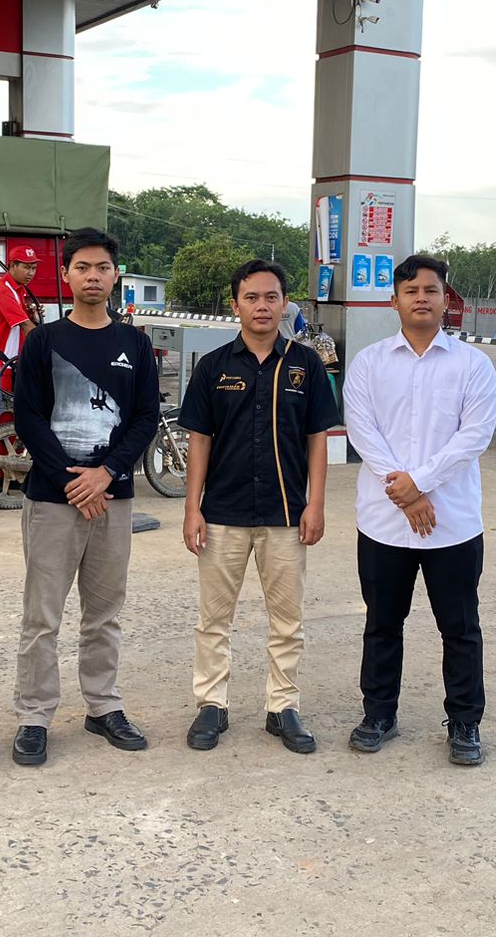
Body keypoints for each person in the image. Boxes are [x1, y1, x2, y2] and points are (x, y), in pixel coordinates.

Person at [340, 254, 496, 767]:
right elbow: (363, 431)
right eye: (411, 291)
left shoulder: (472, 365)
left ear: (445, 299)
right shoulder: (369, 363)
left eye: (431, 290)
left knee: (460, 627)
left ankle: (465, 722)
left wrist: (420, 484)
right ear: (395, 301)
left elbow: (473, 436)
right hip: (384, 522)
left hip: (451, 523)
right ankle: (379, 714)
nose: (421, 298)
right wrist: (406, 493)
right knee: (382, 624)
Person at [9, 229, 159, 766]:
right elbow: (28, 415)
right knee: (42, 615)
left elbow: (145, 417)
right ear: (66, 275)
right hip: (53, 500)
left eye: (102, 267)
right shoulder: (43, 341)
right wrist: (74, 481)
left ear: (116, 275)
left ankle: (103, 705)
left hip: (113, 499)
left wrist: (107, 473)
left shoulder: (134, 344)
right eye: (82, 267)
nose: (92, 276)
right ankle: (34, 715)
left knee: (104, 612)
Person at [180, 259, 338, 754]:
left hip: (286, 514)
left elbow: (318, 438)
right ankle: (212, 704)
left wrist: (316, 504)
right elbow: (200, 440)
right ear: (236, 305)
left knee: (287, 621)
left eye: (271, 297)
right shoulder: (213, 366)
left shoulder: (305, 365)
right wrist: (192, 508)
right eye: (251, 298)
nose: (262, 306)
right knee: (213, 619)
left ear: (285, 304)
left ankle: (282, 707)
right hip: (222, 513)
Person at [0, 245, 41, 392]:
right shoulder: (3, 290)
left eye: (34, 268)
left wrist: (33, 315)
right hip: (1, 362)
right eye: (26, 267)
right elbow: (26, 327)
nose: (31, 273)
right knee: (4, 404)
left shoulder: (19, 289)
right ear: (13, 265)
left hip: (12, 361)